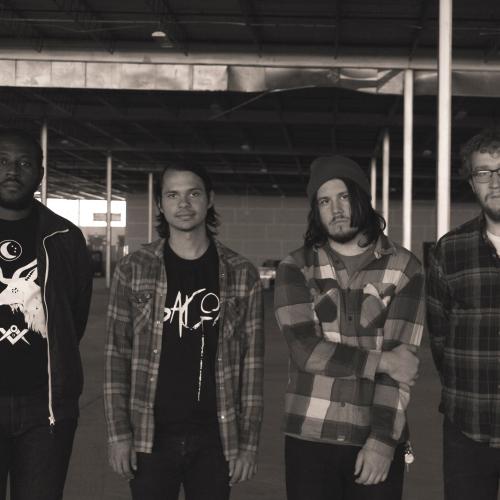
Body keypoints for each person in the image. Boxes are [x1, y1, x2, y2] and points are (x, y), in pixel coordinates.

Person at [104, 163, 264, 500]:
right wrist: (119, 435)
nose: (184, 203)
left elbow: (252, 366)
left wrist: (248, 444)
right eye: (172, 195)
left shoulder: (242, 273)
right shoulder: (133, 268)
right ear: (161, 204)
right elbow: (116, 356)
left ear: (209, 200)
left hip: (215, 438)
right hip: (151, 436)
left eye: (193, 193)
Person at [274, 155, 424, 500]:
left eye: (343, 197)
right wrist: (382, 361)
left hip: (374, 434)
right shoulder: (296, 267)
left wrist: (383, 442)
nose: (336, 209)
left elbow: (402, 366)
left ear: (361, 198)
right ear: (316, 210)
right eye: (324, 201)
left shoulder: (405, 268)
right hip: (309, 438)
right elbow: (306, 352)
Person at [0, 129, 93, 500]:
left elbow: (75, 318)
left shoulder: (65, 238)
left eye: (24, 163)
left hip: (46, 409)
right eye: (3, 161)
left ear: (39, 174)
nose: (12, 170)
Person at [426, 127, 500, 500]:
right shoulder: (449, 250)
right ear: (472, 183)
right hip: (467, 422)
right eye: (484, 172)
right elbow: (439, 336)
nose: (496, 182)